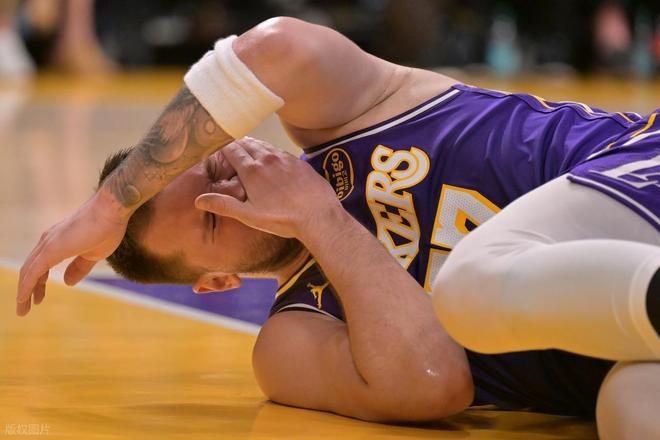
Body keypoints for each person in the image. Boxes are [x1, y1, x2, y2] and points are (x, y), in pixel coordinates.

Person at [16, 16, 658, 437]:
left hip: (638, 172)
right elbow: (435, 385)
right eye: (213, 217)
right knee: (628, 411)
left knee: (472, 287)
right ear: (216, 282)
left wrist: (112, 204)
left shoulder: (348, 114)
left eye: (212, 164)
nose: (231, 187)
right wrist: (321, 220)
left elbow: (275, 48)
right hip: (627, 336)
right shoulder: (290, 341)